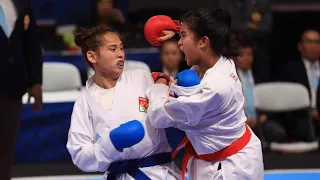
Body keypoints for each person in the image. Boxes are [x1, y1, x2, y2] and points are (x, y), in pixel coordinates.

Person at [146, 8, 264, 180]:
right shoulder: (220, 60)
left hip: (231, 168)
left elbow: (158, 115)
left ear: (203, 42)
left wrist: (161, 83)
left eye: (183, 36)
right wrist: (175, 26)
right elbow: (210, 30)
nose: (179, 43)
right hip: (212, 157)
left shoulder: (215, 88)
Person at [66, 25, 181, 180]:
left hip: (158, 173)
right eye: (113, 49)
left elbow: (169, 110)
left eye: (121, 48)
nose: (120, 54)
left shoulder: (142, 78)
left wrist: (163, 81)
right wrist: (111, 143)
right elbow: (80, 156)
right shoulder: (84, 102)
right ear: (92, 56)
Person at [0, 1, 43, 179]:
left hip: (13, 88)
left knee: (5, 152)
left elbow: (31, 44)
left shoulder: (22, 3)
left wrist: (36, 82)